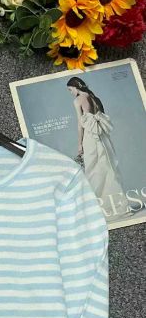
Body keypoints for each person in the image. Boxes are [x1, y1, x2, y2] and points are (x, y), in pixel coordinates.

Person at [66, 76, 130, 221]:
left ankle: (99, 209)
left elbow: (80, 124)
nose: (71, 93)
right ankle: (117, 206)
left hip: (90, 137)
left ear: (76, 87)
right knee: (108, 168)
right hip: (102, 136)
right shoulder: (94, 98)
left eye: (70, 90)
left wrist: (79, 144)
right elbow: (100, 116)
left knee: (93, 170)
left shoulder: (77, 100)